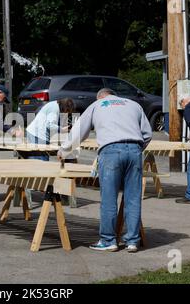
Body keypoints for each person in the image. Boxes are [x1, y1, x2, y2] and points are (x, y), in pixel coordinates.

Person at [58, 88, 152, 253]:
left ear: (100, 96)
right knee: (133, 198)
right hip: (135, 149)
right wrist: (135, 149)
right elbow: (147, 133)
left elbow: (79, 131)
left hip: (110, 150)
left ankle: (109, 240)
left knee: (109, 198)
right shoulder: (133, 104)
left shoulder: (97, 105)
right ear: (115, 95)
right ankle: (132, 241)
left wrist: (64, 150)